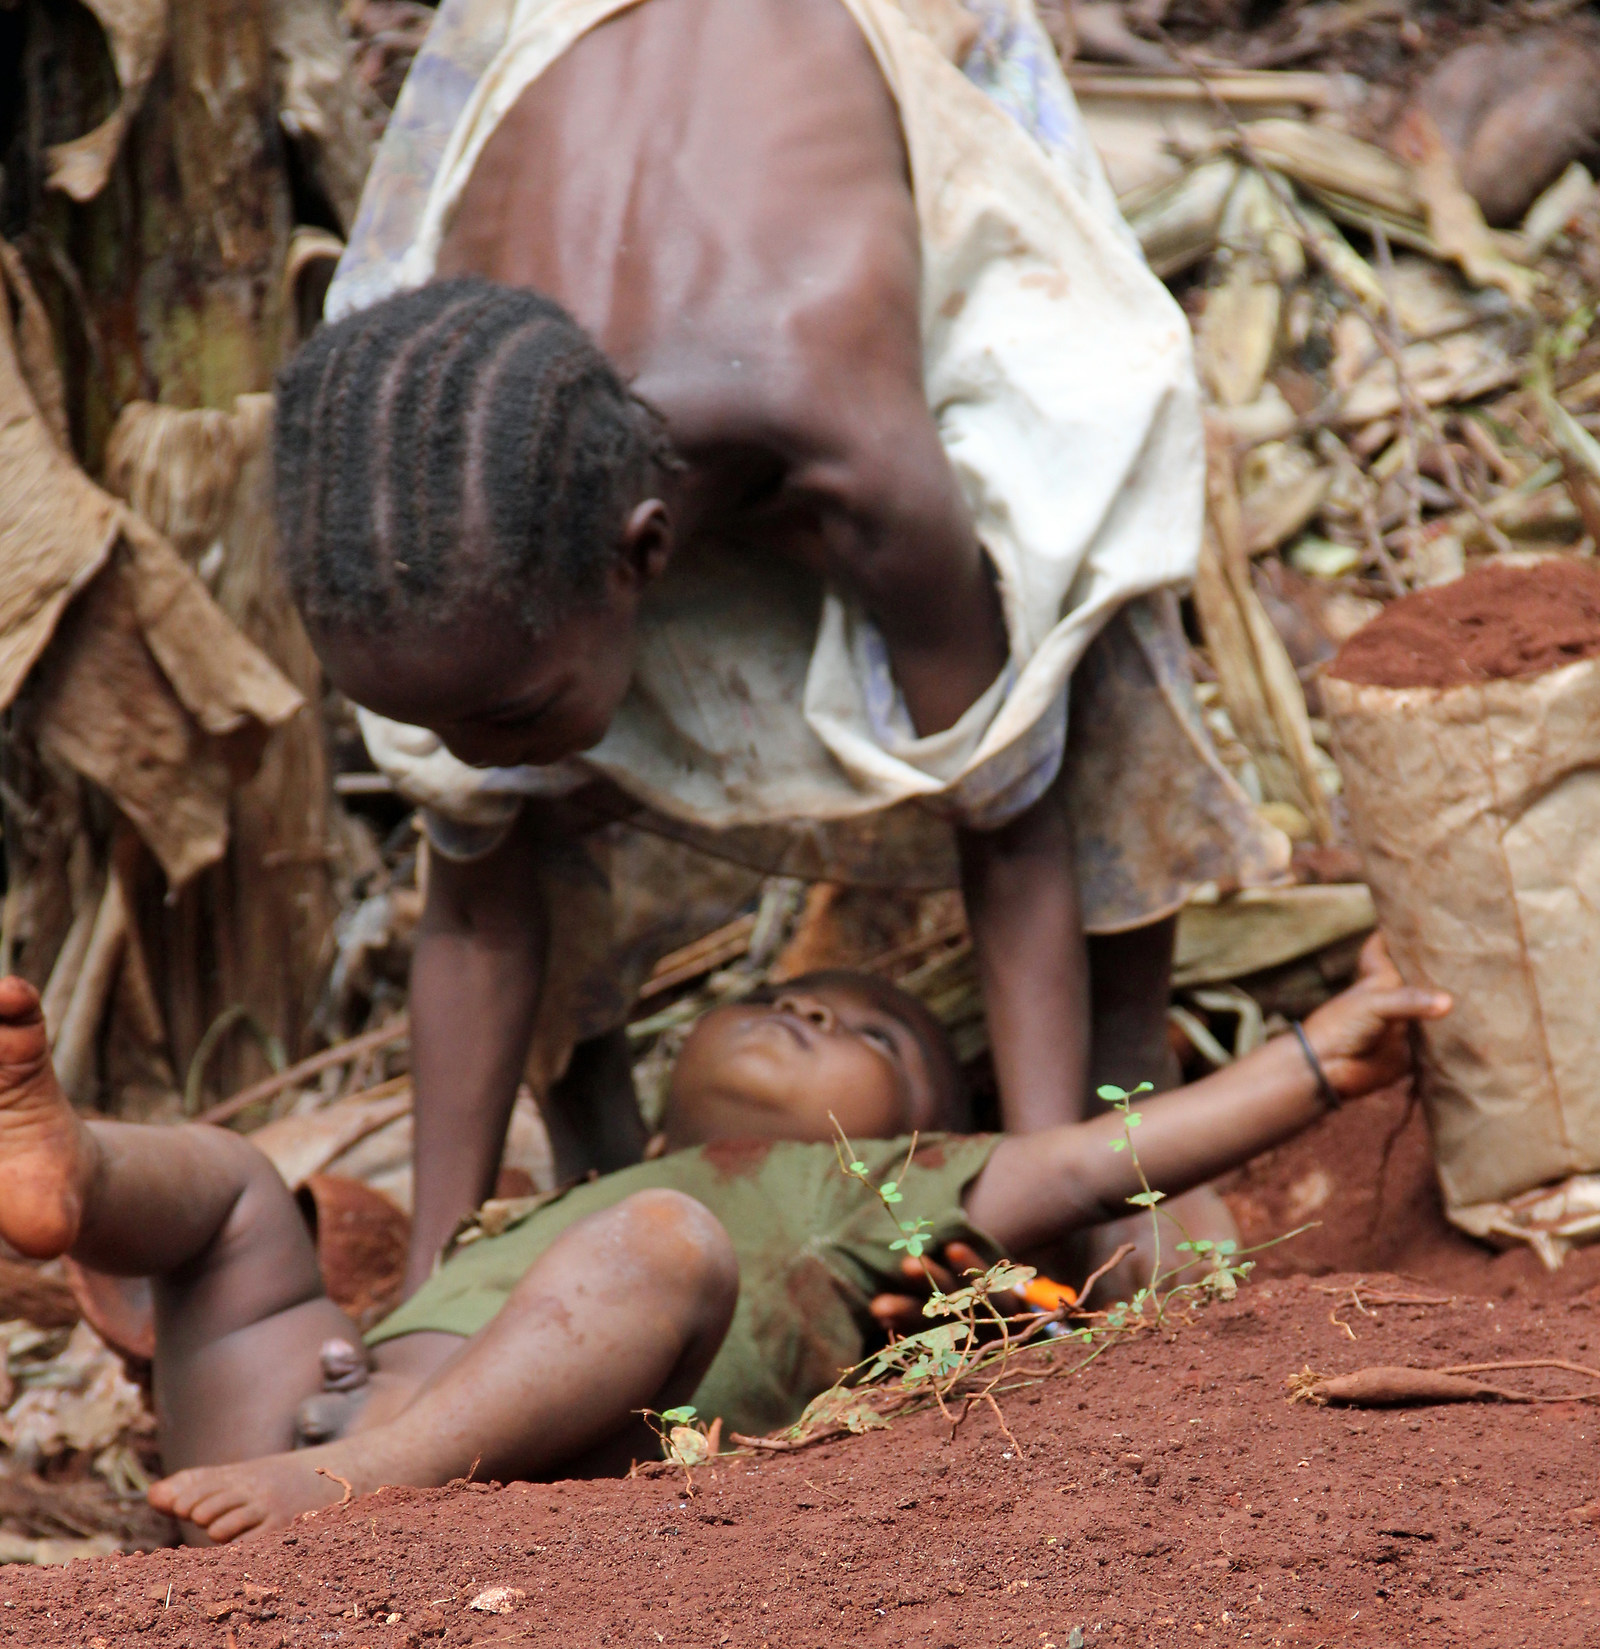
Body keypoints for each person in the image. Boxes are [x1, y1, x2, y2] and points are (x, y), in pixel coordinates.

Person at [272, 0, 1287, 1300]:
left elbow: (1010, 817)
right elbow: (472, 906)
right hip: (564, 40)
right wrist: (430, 1283)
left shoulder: (848, 445)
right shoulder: (420, 467)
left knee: (1082, 541)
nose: (469, 755)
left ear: (643, 553)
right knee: (486, 803)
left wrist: (1042, 1208)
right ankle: (594, 1148)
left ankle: (1127, 1079)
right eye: (428, 720)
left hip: (860, 49)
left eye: (508, 711)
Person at [0, 940, 1447, 1544]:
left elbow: (1092, 1158)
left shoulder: (870, 1191)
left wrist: (1320, 1062)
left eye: (865, 1032)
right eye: (787, 997)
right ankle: (77, 1168)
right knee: (245, 1190)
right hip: (304, 1389)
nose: (809, 1018)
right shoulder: (568, 1182)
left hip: (437, 1473)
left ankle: (342, 1487)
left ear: (926, 1133)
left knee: (666, 1246)